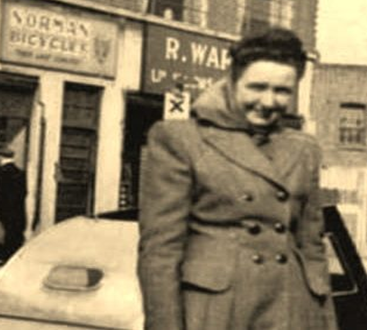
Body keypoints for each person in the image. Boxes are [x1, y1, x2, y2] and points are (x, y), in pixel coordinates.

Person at [137, 28, 338, 330]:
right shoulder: (179, 139)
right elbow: (160, 251)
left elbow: (311, 246)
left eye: (282, 91)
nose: (268, 101)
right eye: (256, 87)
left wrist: (323, 319)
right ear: (232, 81)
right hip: (216, 310)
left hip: (290, 306)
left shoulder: (303, 148)